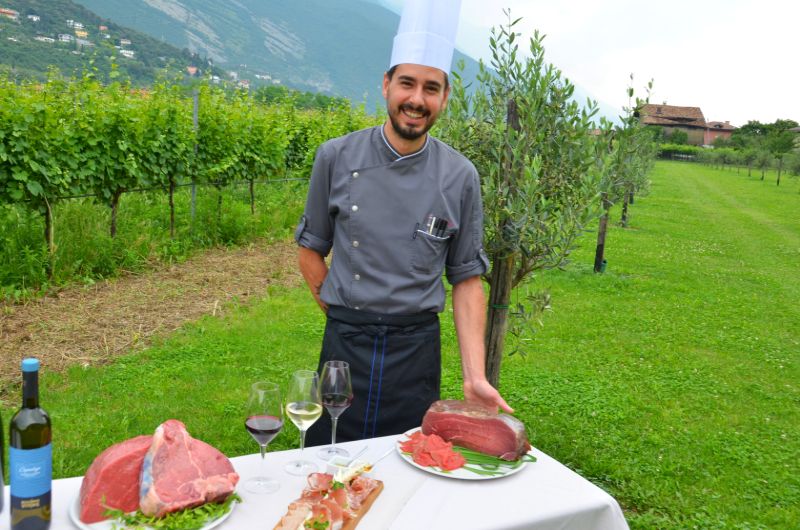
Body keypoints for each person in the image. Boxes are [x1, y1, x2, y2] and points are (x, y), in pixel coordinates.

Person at [296, 0, 511, 446]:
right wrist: (343, 314)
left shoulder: (460, 176)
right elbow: (310, 247)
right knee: (327, 465)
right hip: (344, 347)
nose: (417, 99)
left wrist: (474, 376)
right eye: (407, 83)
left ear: (445, 97)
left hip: (416, 351)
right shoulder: (335, 157)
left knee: (409, 472)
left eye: (431, 88)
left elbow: (468, 279)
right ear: (386, 85)